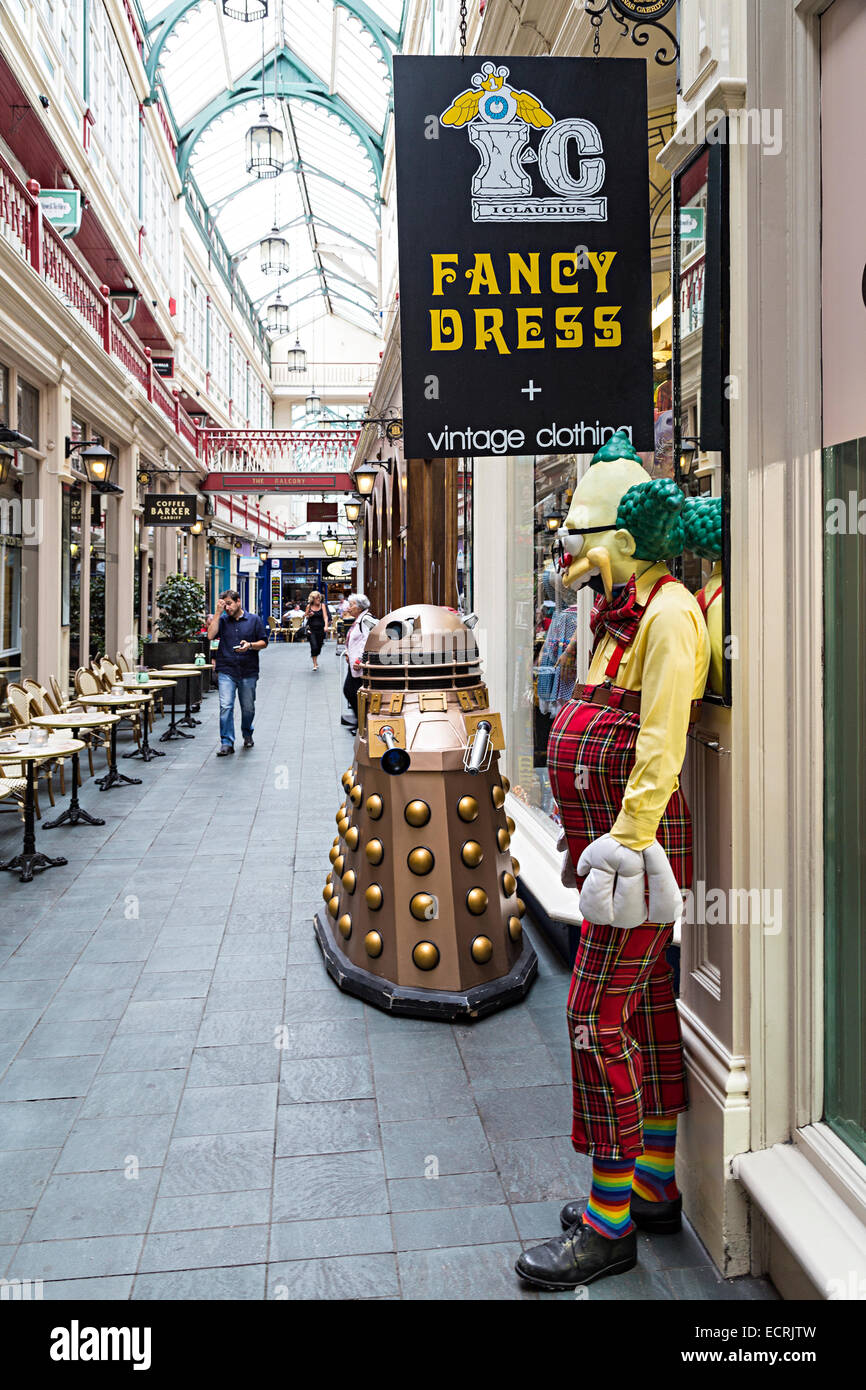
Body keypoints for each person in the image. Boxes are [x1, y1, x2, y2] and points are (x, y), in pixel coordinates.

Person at [206, 590, 268, 756]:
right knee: (226, 706)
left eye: (229, 604)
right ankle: (227, 742)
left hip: (248, 670)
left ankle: (247, 733)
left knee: (248, 708)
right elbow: (210, 635)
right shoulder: (223, 620)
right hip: (227, 669)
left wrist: (250, 645)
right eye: (223, 604)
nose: (227, 607)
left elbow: (264, 642)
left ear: (238, 601)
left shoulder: (253, 620)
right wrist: (218, 613)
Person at [341, 593, 375, 730]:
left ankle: (363, 722)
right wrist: (348, 652)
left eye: (351, 605)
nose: (349, 608)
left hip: (360, 666)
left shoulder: (366, 620)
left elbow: (368, 641)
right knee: (352, 692)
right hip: (355, 665)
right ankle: (360, 722)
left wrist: (360, 659)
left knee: (351, 691)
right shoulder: (359, 620)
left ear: (360, 607)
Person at [304, 590, 331, 672]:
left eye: (319, 598)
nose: (318, 600)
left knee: (319, 646)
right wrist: (309, 615)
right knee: (314, 646)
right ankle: (315, 663)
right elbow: (305, 616)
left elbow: (325, 617)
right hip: (311, 629)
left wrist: (326, 626)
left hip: (321, 629)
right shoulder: (309, 606)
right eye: (316, 598)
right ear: (312, 599)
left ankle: (316, 656)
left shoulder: (323, 606)